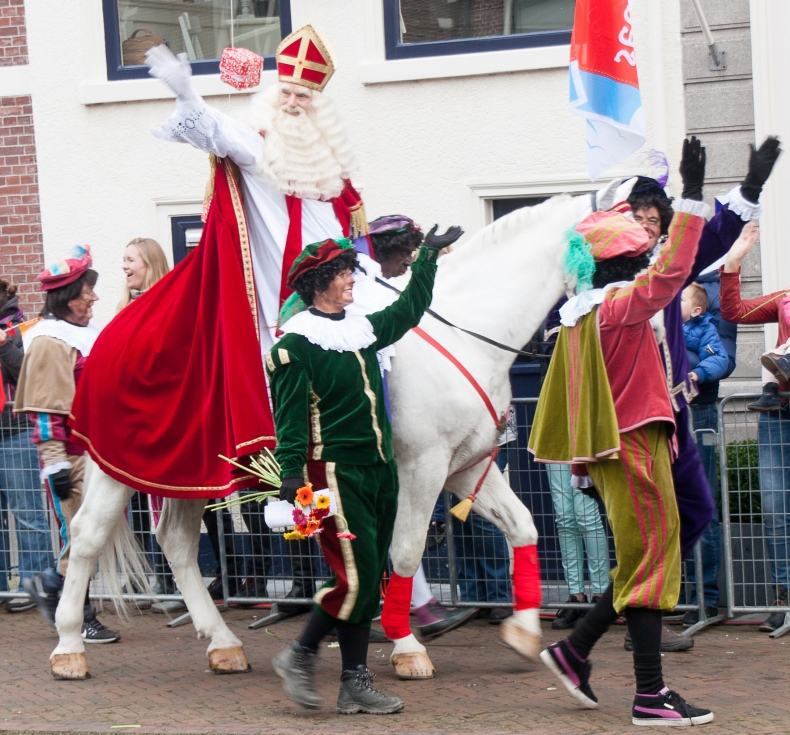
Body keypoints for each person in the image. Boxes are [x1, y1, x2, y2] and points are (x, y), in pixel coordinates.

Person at [530, 139, 714, 726]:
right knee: (649, 565)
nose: (647, 263)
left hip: (624, 446)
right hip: (633, 445)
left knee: (640, 562)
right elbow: (675, 271)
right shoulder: (615, 307)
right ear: (623, 266)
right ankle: (650, 695)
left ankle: (575, 649)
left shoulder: (584, 314)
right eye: (639, 257)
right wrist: (688, 199)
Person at [268, 227, 454, 714]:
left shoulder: (362, 328)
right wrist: (291, 475)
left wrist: (427, 258)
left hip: (378, 467)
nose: (353, 278)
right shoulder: (296, 346)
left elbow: (409, 310)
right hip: (329, 473)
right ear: (318, 282)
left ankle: (354, 682)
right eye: (344, 272)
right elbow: (288, 419)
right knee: (355, 575)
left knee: (371, 579)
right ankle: (300, 654)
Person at [622, 136, 781, 650]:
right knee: (635, 524)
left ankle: (635, 612)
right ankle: (623, 624)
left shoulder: (671, 267)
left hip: (670, 413)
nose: (648, 229)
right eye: (639, 219)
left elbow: (707, 240)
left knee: (692, 510)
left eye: (655, 220)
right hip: (624, 417)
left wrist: (751, 186)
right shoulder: (609, 278)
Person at [368, 214, 480, 636]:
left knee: (397, 518)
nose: (408, 262)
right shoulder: (366, 294)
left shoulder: (402, 287)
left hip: (398, 423)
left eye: (414, 254)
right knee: (387, 521)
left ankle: (418, 605)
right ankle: (399, 609)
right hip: (368, 427)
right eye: (406, 254)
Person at [17, 246, 120, 643]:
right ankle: (76, 610)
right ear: (67, 297)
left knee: (92, 533)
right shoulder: (48, 340)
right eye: (86, 291)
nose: (94, 297)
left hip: (95, 454)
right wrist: (55, 464)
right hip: (71, 457)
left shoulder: (81, 334)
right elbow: (44, 409)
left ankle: (52, 589)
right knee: (81, 535)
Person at [718, 221, 790, 632]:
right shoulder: (785, 299)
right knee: (777, 508)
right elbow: (734, 311)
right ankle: (784, 598)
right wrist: (735, 260)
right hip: (779, 411)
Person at [542, 300, 611, 629]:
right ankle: (575, 595)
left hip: (586, 420)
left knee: (586, 514)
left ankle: (599, 594)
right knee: (564, 516)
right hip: (557, 421)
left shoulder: (598, 301)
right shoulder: (551, 307)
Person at [683, 277, 737, 625]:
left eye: (682, 299)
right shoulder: (661, 326)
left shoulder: (705, 328)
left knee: (702, 505)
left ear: (698, 309)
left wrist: (696, 375)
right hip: (668, 417)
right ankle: (684, 596)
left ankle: (707, 599)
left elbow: (719, 361)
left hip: (699, 415)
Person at [0, 279, 53, 612]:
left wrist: (4, 346)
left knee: (28, 515)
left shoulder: (20, 326)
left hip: (14, 432)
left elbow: (29, 375)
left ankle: (35, 584)